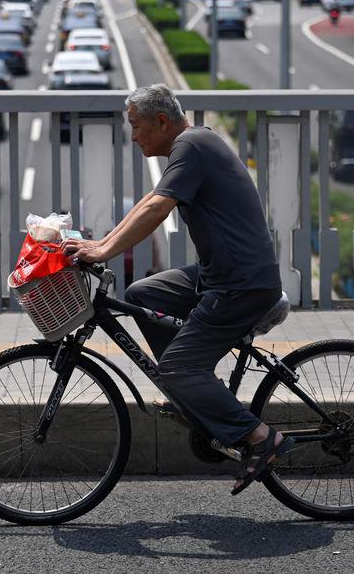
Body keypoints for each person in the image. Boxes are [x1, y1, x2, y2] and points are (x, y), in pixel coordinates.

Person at [61, 83, 293, 495]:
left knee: (178, 368)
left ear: (162, 121)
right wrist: (99, 246)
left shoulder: (192, 145)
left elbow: (157, 208)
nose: (133, 136)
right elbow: (150, 199)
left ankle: (261, 438)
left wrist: (102, 252)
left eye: (136, 126)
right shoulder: (189, 145)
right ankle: (195, 396)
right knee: (141, 295)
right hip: (217, 276)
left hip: (241, 285)